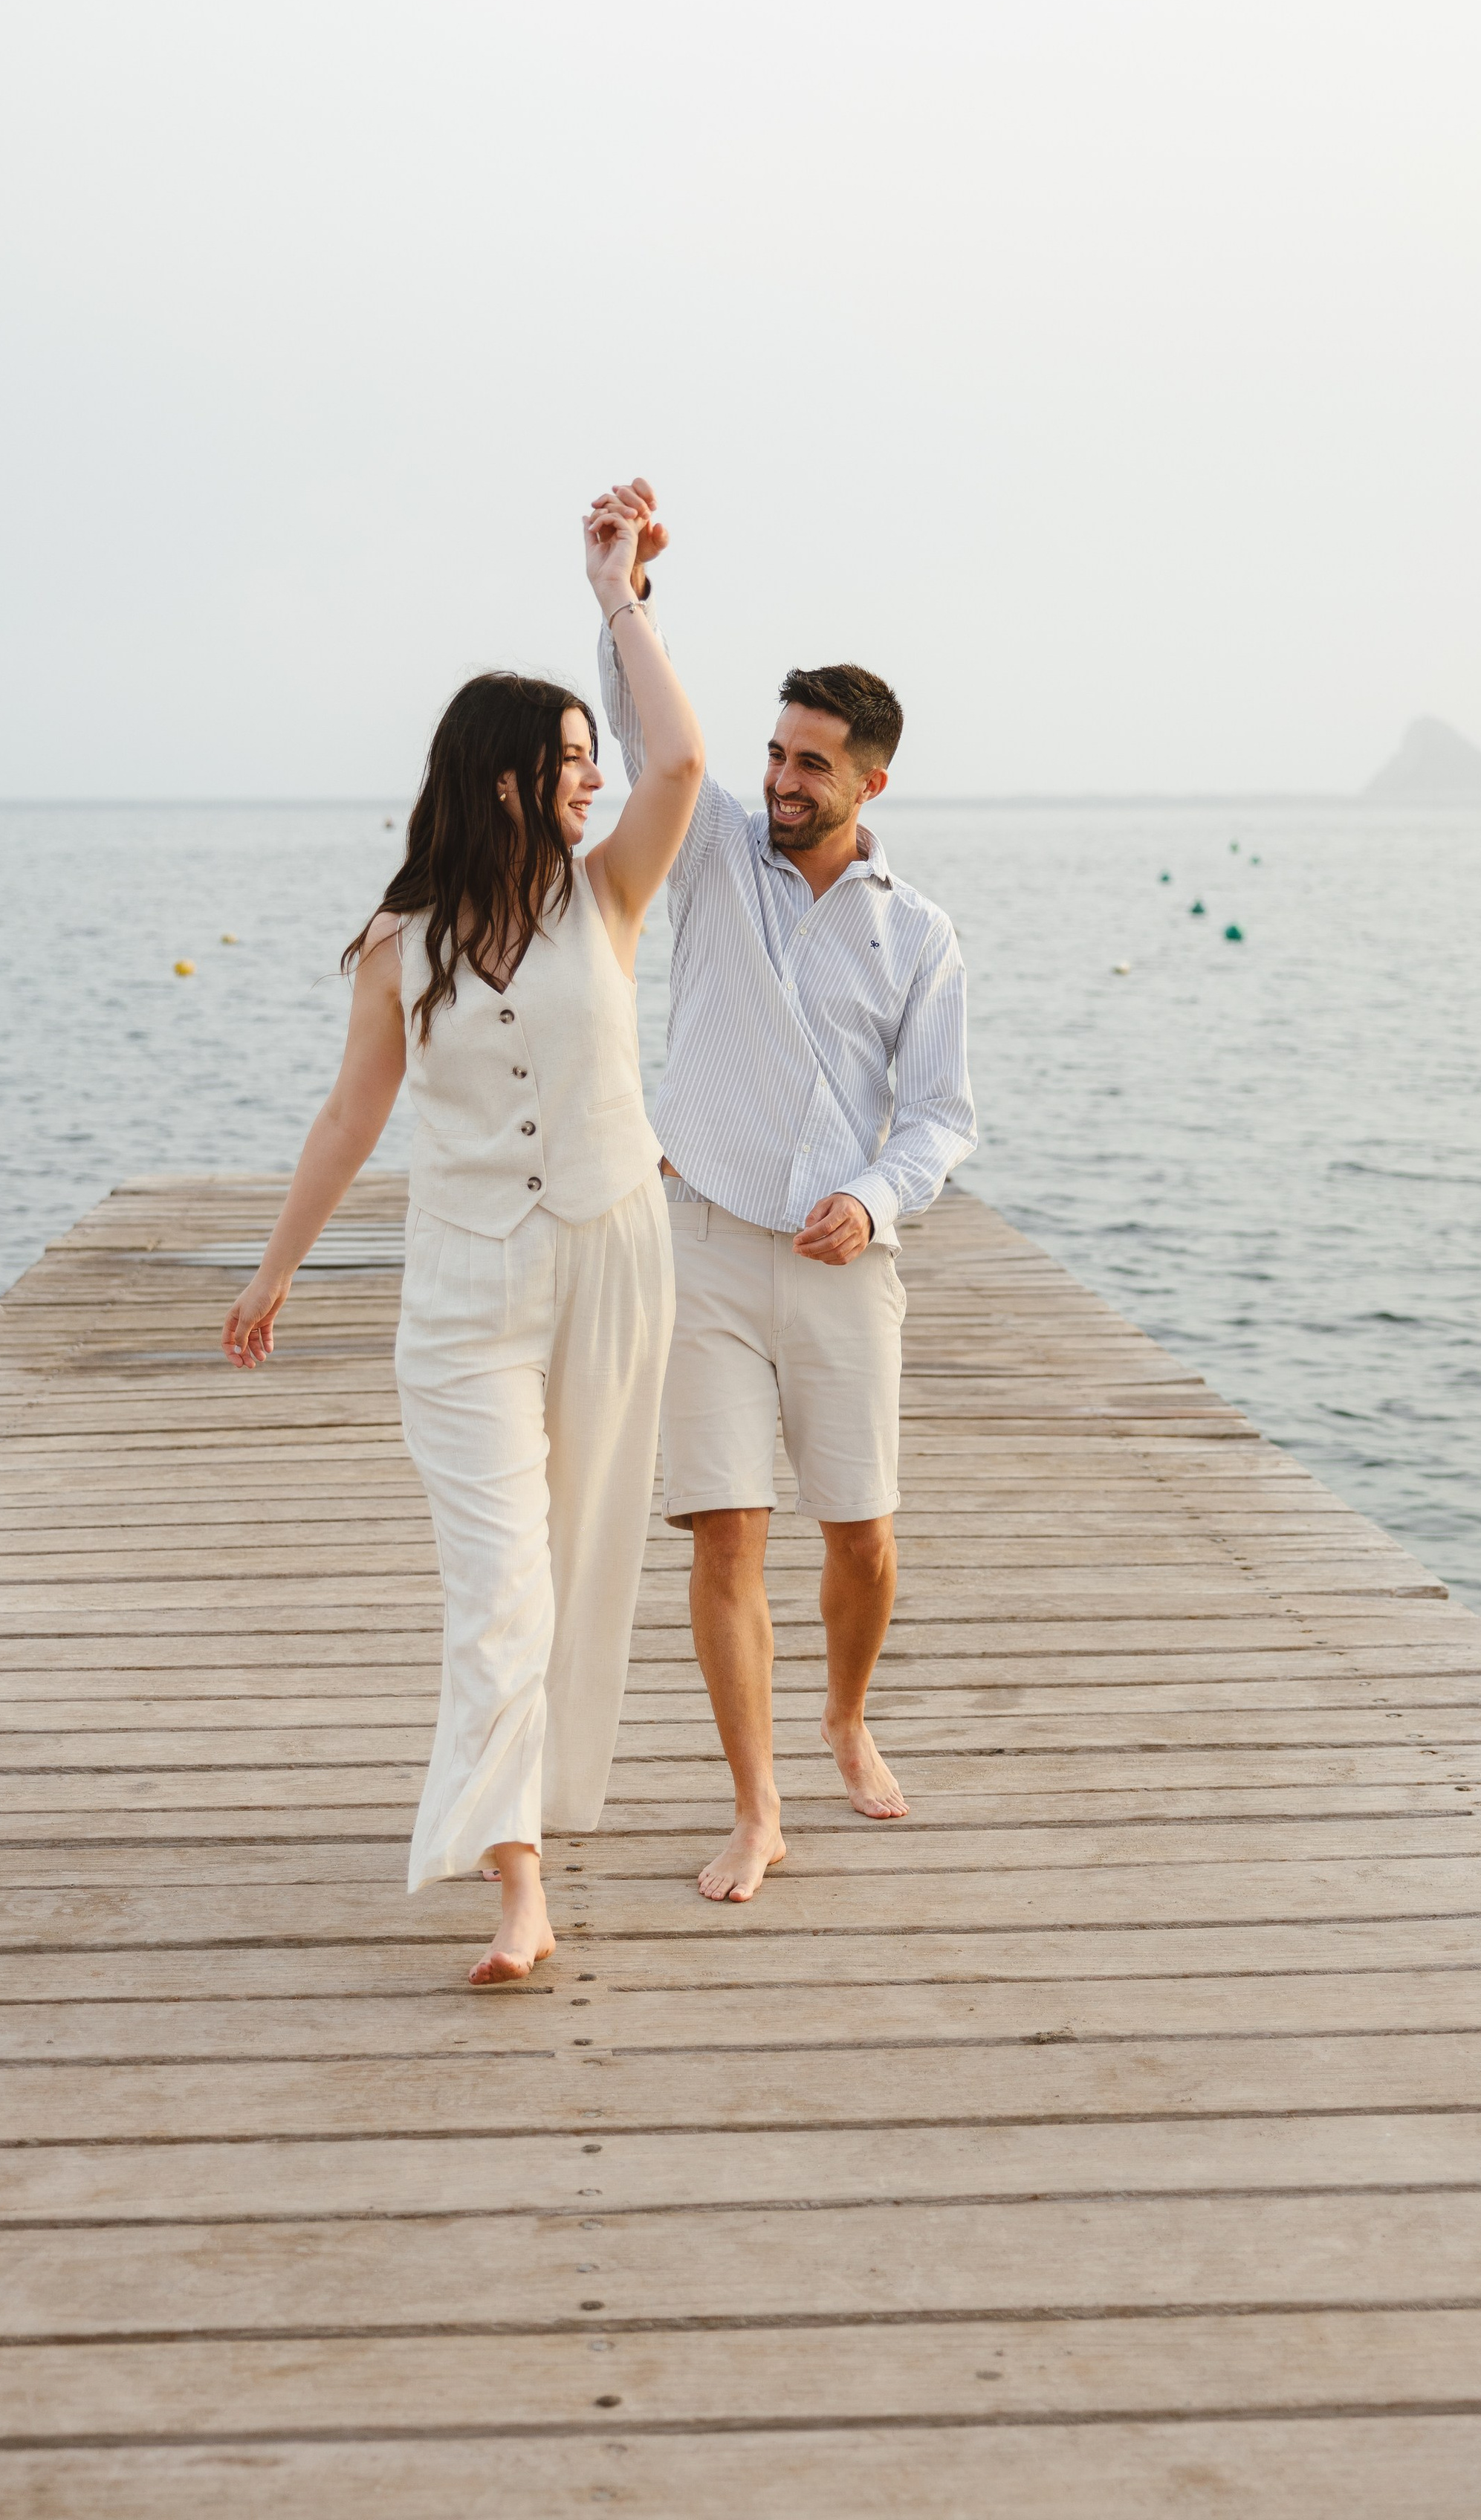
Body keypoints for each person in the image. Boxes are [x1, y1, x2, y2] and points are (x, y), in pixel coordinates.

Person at [222, 488, 703, 1984]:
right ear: (500, 782)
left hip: (614, 1255)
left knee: (589, 1556)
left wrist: (615, 595)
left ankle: (538, 1809)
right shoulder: (394, 946)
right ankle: (516, 1884)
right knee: (502, 1579)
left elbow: (678, 757)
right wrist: (277, 1265)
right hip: (462, 1294)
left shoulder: (606, 893)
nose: (591, 778)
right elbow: (346, 1124)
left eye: (588, 757)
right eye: (566, 760)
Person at [593, 479, 976, 1902]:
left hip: (841, 1267)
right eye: (776, 753)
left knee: (862, 1537)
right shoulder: (709, 862)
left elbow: (940, 1119)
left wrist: (875, 1202)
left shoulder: (920, 934)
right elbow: (654, 739)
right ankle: (757, 1806)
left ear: (871, 780)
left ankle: (845, 1716)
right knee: (724, 1529)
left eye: (812, 763)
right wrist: (626, 596)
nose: (781, 780)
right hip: (698, 1239)